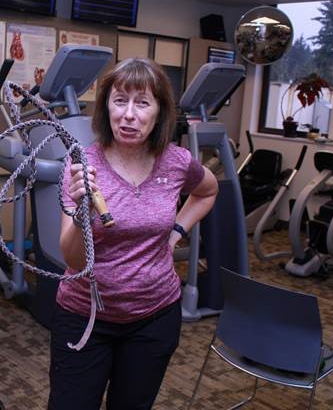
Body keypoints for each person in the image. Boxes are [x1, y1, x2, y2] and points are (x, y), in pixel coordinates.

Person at [48, 58, 219, 410]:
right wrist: (83, 212)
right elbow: (74, 259)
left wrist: (174, 234)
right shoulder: (82, 166)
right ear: (106, 107)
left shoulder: (177, 161)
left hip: (154, 317)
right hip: (85, 318)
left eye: (142, 103)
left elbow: (207, 191)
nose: (129, 114)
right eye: (119, 100)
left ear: (159, 112)